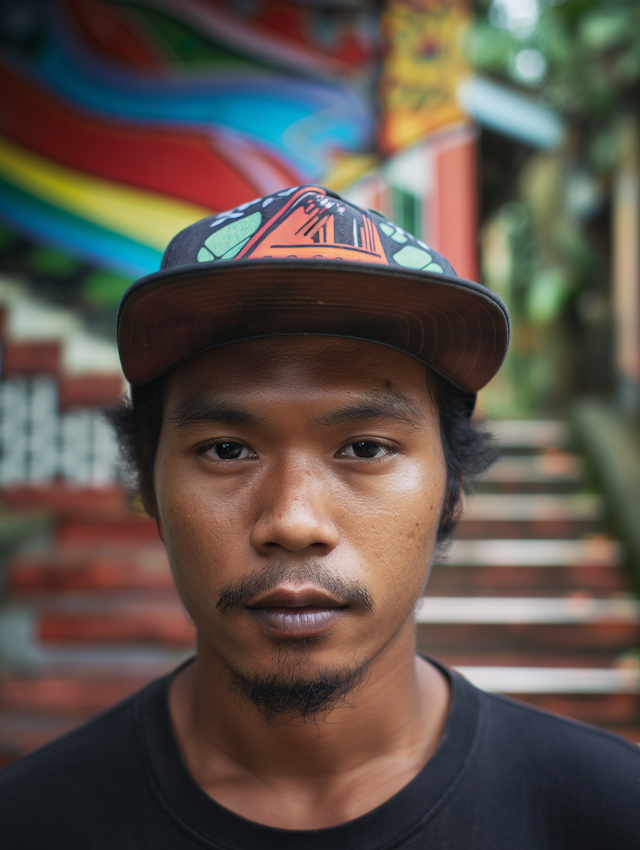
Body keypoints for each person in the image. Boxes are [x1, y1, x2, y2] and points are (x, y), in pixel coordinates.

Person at [1, 185, 638, 847]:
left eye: (365, 448)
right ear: (152, 490)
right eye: (227, 450)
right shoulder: (29, 823)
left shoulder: (609, 816)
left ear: (452, 488)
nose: (294, 521)